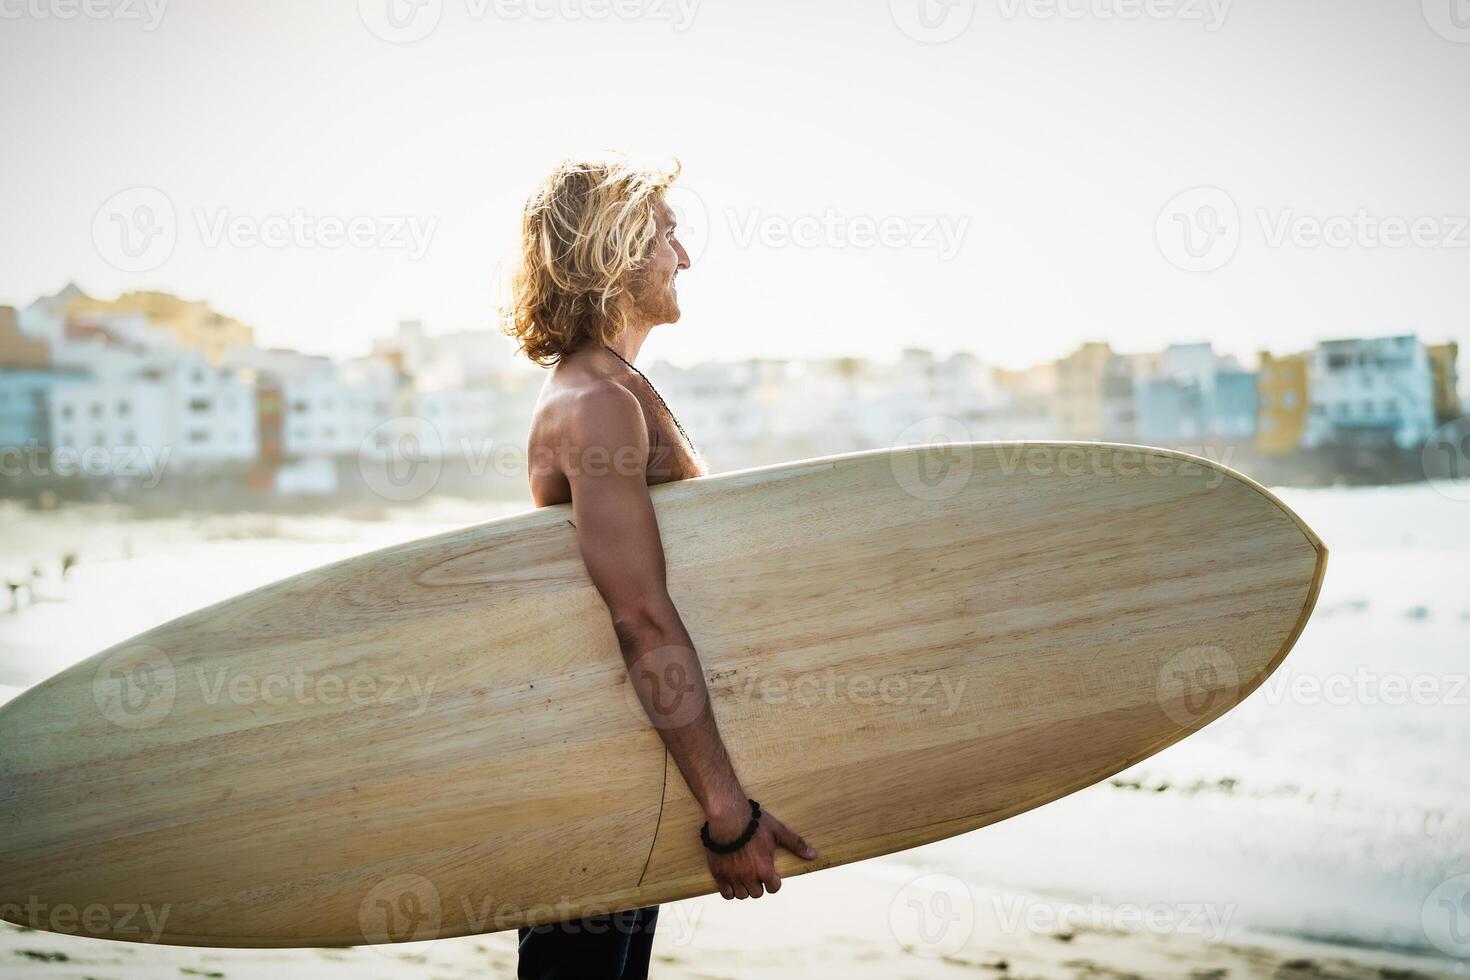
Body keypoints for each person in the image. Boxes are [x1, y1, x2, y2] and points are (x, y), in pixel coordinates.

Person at [502, 157, 820, 979]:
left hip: (635, 762)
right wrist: (727, 814)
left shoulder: (608, 387)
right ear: (612, 250)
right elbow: (639, 614)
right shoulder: (596, 402)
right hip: (604, 775)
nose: (685, 256)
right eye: (668, 233)